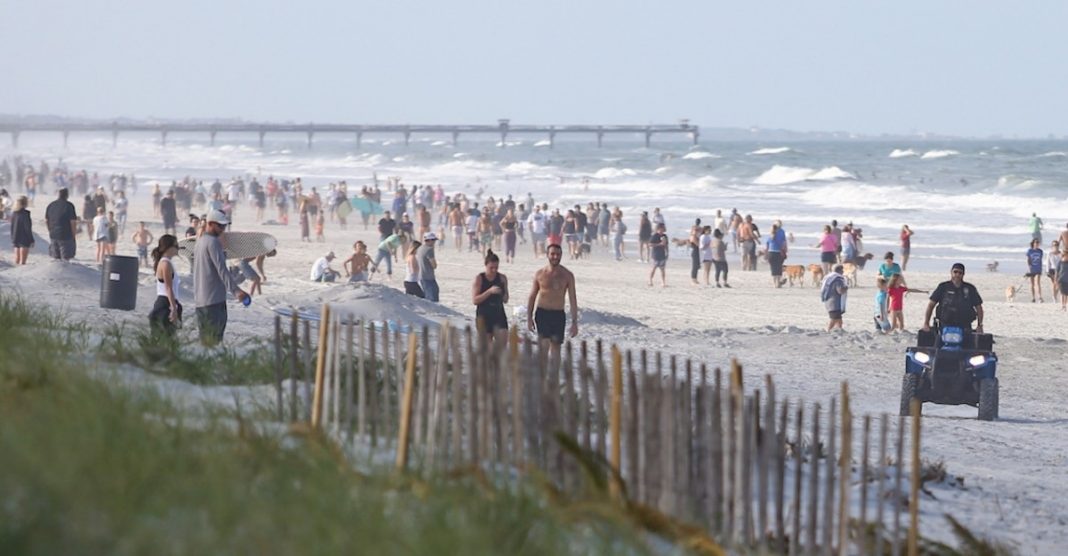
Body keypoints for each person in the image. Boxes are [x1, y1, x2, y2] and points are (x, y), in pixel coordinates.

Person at [193, 209, 250, 346]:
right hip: (214, 302)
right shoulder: (213, 242)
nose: (223, 229)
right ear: (211, 224)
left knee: (205, 344)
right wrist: (237, 291)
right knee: (214, 343)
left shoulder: (200, 242)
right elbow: (222, 270)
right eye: (220, 226)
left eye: (224, 226)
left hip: (201, 302)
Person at [526, 243, 578, 372]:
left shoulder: (567, 275)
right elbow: (532, 296)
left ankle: (554, 377)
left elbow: (572, 299)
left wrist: (575, 322)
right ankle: (542, 375)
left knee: (556, 347)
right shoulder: (540, 274)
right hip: (542, 313)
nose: (555, 257)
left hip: (558, 314)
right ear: (547, 255)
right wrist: (529, 317)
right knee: (544, 346)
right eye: (553, 254)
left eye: (558, 254)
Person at [922, 263, 983, 334]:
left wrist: (979, 325)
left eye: (960, 273)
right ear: (951, 272)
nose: (957, 274)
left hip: (965, 326)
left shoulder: (970, 288)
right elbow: (931, 305)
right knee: (937, 344)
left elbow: (979, 308)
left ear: (963, 274)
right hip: (944, 325)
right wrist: (926, 323)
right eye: (955, 272)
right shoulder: (943, 287)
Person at [472, 249, 510, 351]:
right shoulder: (480, 278)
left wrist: (503, 293)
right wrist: (489, 292)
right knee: (487, 346)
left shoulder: (502, 278)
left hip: (498, 313)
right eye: (491, 268)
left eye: (496, 268)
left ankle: (500, 364)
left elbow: (506, 299)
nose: (494, 270)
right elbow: (475, 300)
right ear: (486, 265)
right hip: (484, 314)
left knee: (503, 342)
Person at [148, 235, 182, 338]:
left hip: (166, 302)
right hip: (165, 303)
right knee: (166, 338)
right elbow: (168, 288)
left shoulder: (166, 262)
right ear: (169, 247)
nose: (178, 248)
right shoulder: (165, 264)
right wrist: (173, 308)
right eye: (176, 245)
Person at [44, 188, 78, 261]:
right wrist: (73, 235)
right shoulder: (69, 206)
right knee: (65, 260)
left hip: (53, 234)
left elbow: (47, 220)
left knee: (55, 259)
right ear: (67, 195)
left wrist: (50, 230)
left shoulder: (51, 205)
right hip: (66, 235)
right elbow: (73, 222)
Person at [820, 264, 849, 331]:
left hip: (827, 300)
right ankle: (828, 330)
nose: (843, 271)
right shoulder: (838, 279)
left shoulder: (828, 277)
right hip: (835, 303)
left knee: (839, 319)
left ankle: (839, 329)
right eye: (842, 270)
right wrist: (846, 287)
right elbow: (840, 291)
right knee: (834, 319)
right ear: (839, 270)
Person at [10, 195, 33, 265]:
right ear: (25, 203)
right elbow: (27, 228)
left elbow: (12, 226)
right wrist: (31, 239)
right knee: (22, 263)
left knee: (16, 260)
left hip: (15, 237)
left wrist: (12, 237)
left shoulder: (14, 213)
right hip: (24, 238)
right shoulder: (25, 214)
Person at [417, 233, 439, 302]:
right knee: (432, 298)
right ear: (429, 240)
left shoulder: (420, 248)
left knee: (429, 295)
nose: (434, 242)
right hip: (428, 277)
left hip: (422, 276)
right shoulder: (429, 250)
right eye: (434, 240)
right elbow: (434, 265)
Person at [766, 222, 788, 287]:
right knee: (779, 267)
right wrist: (785, 250)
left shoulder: (770, 235)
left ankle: (775, 283)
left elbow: (767, 244)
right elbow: (783, 243)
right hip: (778, 252)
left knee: (773, 268)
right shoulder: (781, 232)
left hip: (771, 252)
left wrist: (766, 253)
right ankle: (778, 283)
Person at [648, 223, 668, 287]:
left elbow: (666, 245)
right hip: (655, 255)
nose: (663, 229)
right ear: (659, 228)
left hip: (662, 254)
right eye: (662, 228)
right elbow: (650, 244)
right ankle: (650, 280)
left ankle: (663, 282)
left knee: (662, 269)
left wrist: (667, 252)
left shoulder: (664, 236)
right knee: (654, 268)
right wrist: (659, 244)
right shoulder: (655, 236)